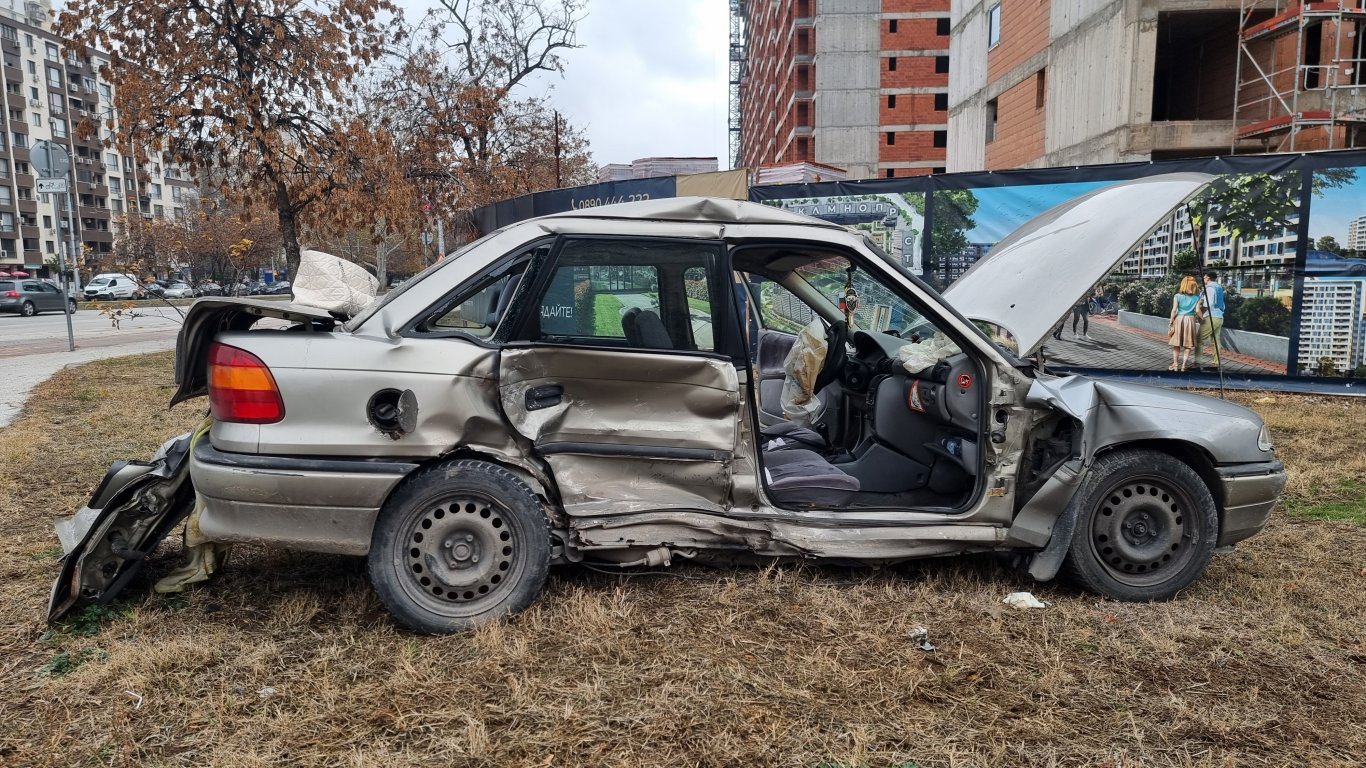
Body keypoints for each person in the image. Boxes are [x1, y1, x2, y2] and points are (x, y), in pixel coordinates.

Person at [1168, 275, 1201, 371]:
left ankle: (1175, 365)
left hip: (1179, 319)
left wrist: (1171, 322)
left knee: (1177, 344)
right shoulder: (1197, 297)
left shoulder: (1177, 296)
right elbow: (1198, 310)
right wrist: (1202, 318)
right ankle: (1183, 366)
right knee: (1188, 345)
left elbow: (1174, 310)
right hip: (1190, 320)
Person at [1194, 270, 1226, 370]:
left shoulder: (1210, 288)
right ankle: (1215, 363)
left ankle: (1197, 363)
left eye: (1204, 277)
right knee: (1216, 341)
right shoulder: (1219, 287)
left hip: (1211, 317)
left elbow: (1208, 304)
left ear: (1208, 278)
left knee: (1199, 339)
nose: (1203, 279)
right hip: (1219, 317)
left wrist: (1201, 316)